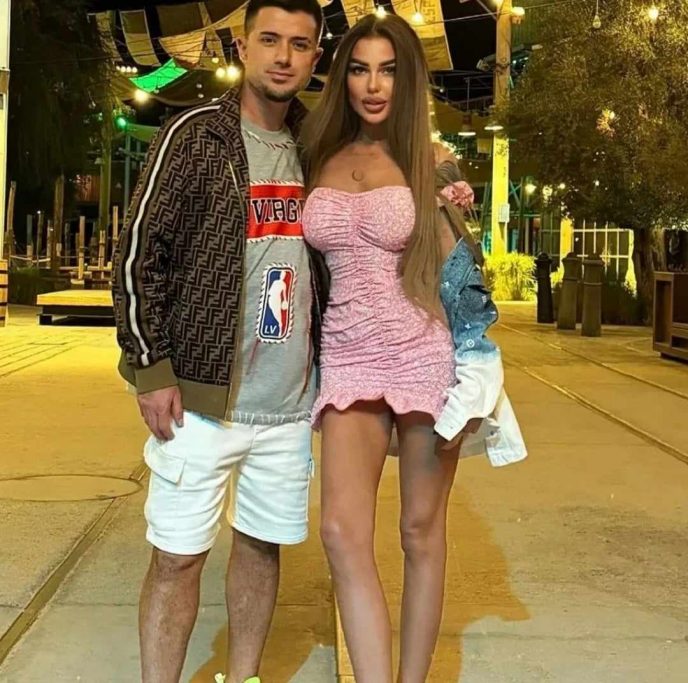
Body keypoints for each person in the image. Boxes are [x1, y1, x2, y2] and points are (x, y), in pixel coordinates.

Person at [301, 13, 526, 682]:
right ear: (343, 78)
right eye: (360, 69)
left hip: (423, 355)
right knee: (341, 533)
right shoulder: (316, 154)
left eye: (389, 71)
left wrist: (477, 366)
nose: (373, 85)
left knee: (420, 532)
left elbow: (462, 274)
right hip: (346, 357)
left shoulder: (431, 160)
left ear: (409, 81)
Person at [111, 1, 326, 682]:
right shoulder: (196, 134)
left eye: (299, 44)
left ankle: (246, 675)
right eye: (270, 40)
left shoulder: (319, 144)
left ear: (315, 57)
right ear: (243, 46)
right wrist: (150, 368)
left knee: (261, 548)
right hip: (199, 401)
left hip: (288, 405)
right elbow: (139, 254)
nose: (283, 57)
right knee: (177, 557)